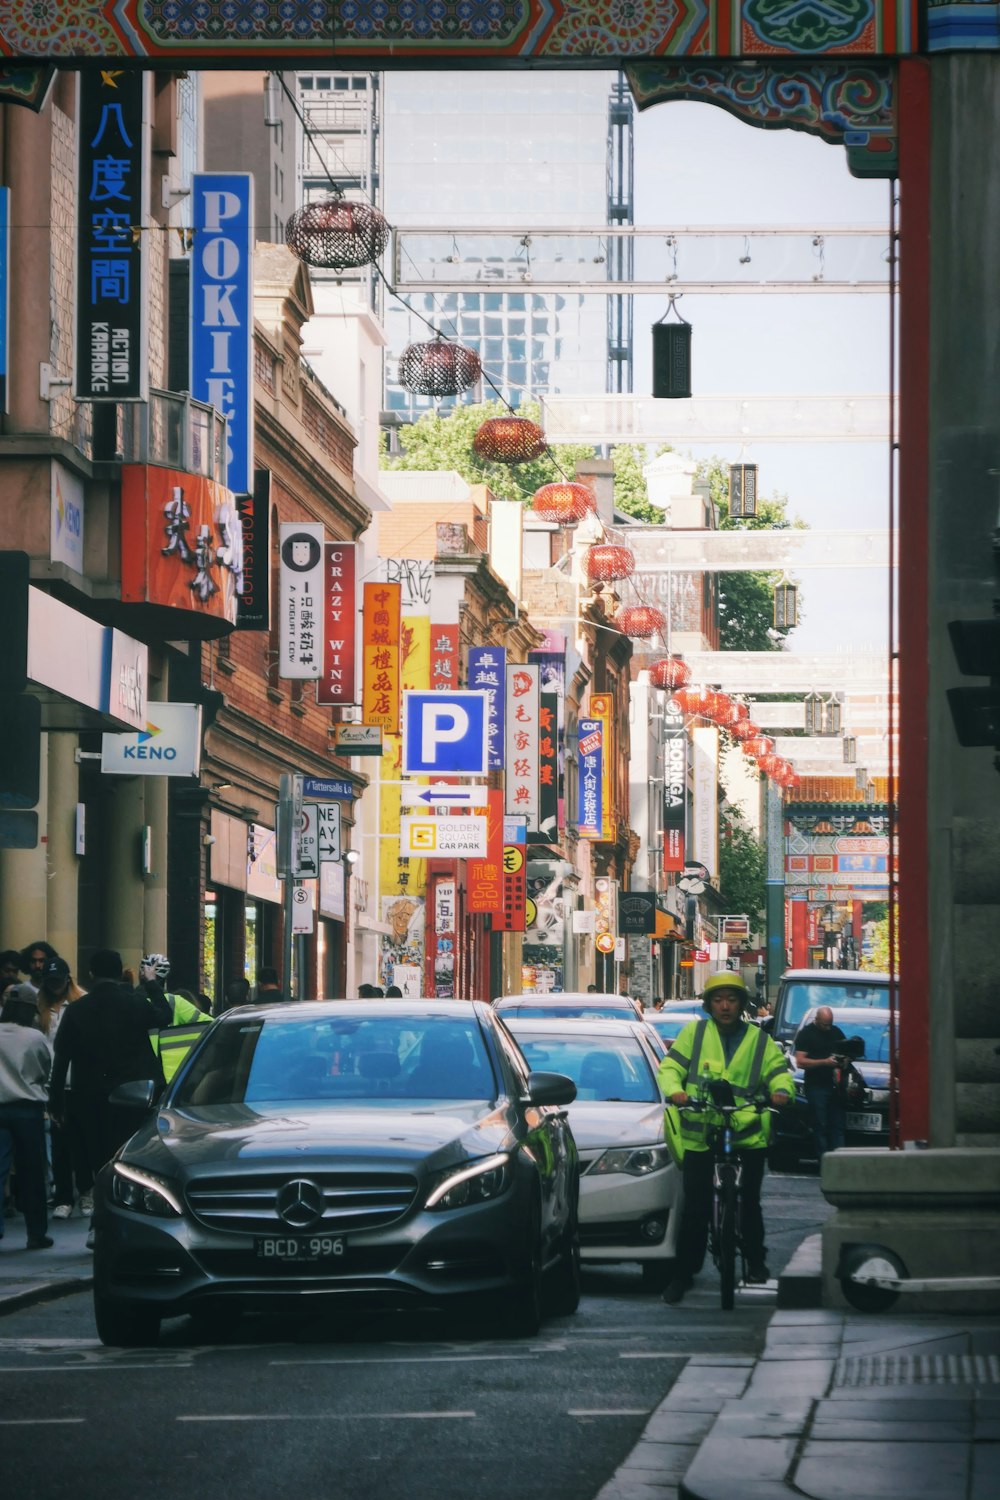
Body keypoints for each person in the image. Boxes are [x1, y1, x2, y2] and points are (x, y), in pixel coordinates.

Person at [657, 971, 794, 1304]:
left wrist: (780, 1091)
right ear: (708, 1004)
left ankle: (756, 1261)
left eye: (731, 999)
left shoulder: (759, 1040)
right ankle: (682, 1275)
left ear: (741, 1004)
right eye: (718, 1000)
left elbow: (779, 1072)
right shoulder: (694, 1033)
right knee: (696, 1209)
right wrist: (675, 1091)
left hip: (747, 1132)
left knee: (749, 1202)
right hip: (702, 1131)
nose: (725, 1006)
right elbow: (670, 1068)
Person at [49, 949, 168, 1245]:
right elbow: (164, 1016)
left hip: (87, 1096)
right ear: (119, 974)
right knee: (129, 1161)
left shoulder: (77, 1010)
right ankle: (129, 1221)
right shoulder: (135, 1003)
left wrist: (56, 1102)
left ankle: (98, 1224)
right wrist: (152, 984)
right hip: (132, 1095)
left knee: (98, 1161)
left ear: (91, 974)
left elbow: (61, 1058)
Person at [35, 957, 91, 1221]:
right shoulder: (40, 1007)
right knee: (59, 1144)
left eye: (59, 981)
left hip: (79, 1082)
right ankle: (64, 1197)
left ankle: (86, 1191)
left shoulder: (82, 1003)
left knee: (82, 1141)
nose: (55, 987)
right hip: (52, 1082)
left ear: (68, 979)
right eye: (50, 982)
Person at [0, 991, 54, 1250]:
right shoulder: (34, 1037)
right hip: (27, 1109)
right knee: (32, 1173)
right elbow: (45, 1068)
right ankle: (36, 1233)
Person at [793, 1005, 850, 1159]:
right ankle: (824, 1162)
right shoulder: (806, 1034)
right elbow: (800, 1062)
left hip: (835, 1086)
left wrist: (844, 1060)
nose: (828, 1028)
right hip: (816, 1085)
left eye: (830, 1024)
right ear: (816, 1020)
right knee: (820, 1125)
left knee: (838, 1125)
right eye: (825, 1024)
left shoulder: (836, 1031)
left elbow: (846, 1051)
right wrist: (825, 1062)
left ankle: (840, 1161)